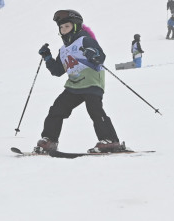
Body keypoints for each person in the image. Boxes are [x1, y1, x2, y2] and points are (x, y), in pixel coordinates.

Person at [34, 9, 123, 154]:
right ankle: (49, 141)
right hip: (74, 86)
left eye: (67, 26)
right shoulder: (63, 50)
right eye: (61, 28)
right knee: (57, 109)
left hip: (92, 82)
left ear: (75, 26)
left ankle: (110, 141)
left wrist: (92, 54)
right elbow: (57, 71)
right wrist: (48, 57)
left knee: (95, 110)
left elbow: (100, 57)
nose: (63, 30)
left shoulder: (85, 40)